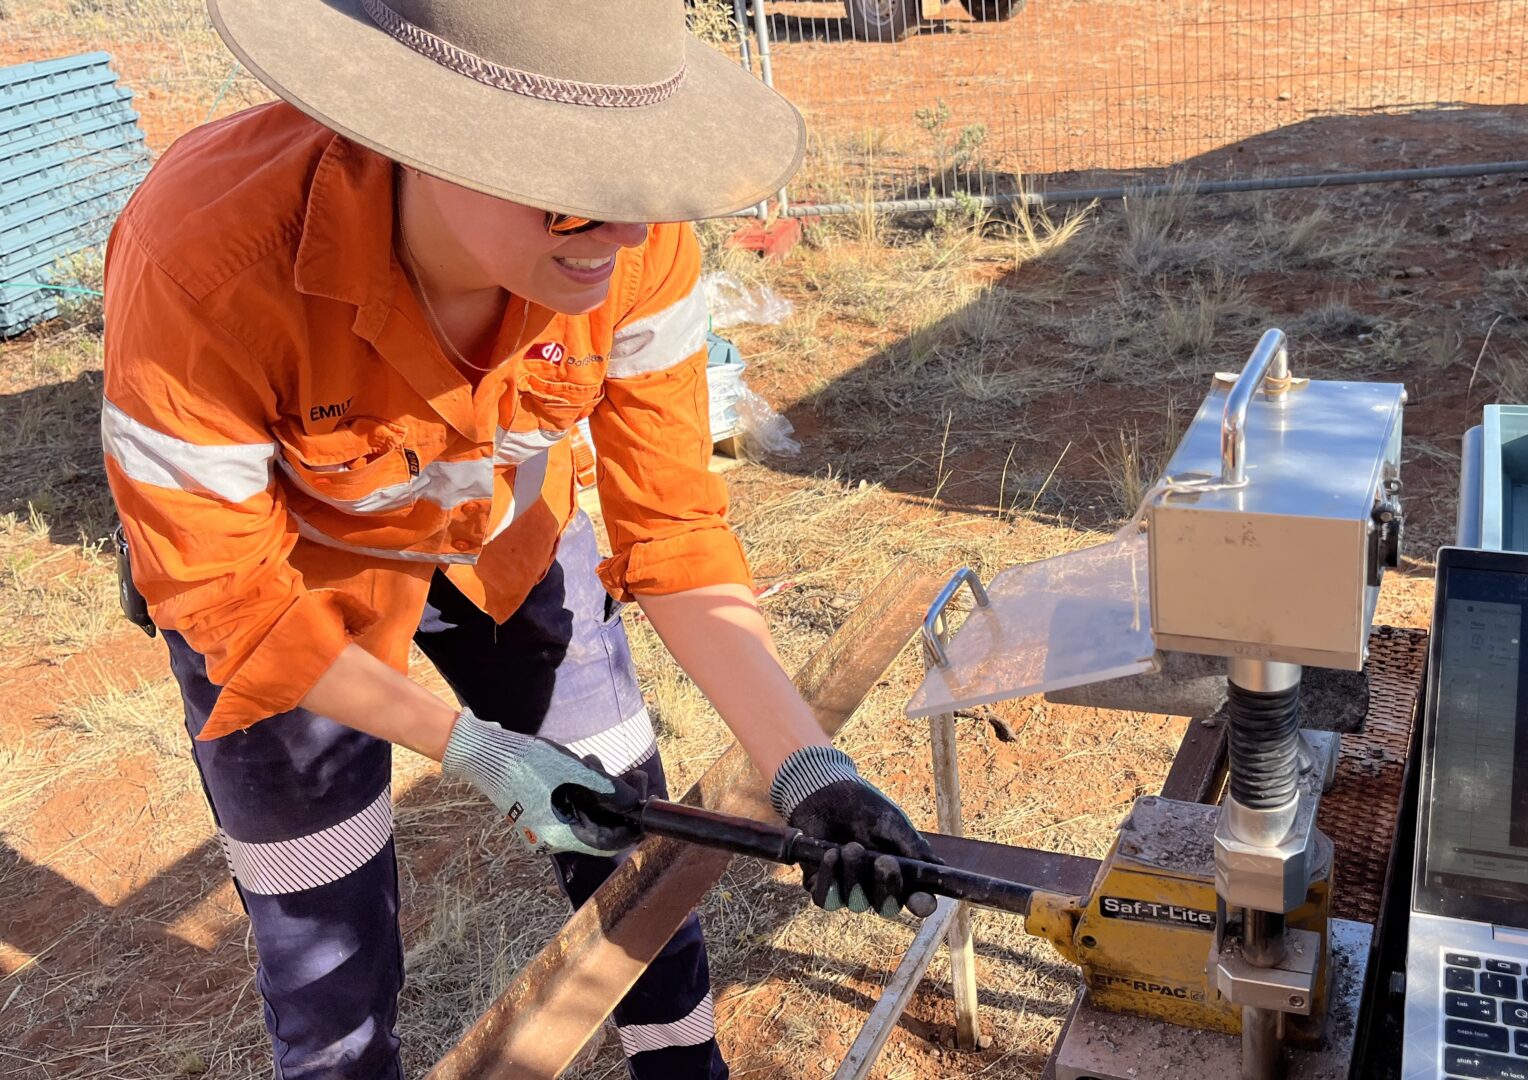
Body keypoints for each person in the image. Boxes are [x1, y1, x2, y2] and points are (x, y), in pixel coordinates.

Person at [99, 1, 936, 1077]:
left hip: (507, 540)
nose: (629, 236)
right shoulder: (205, 264)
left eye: (639, 189)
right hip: (297, 593)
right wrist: (474, 749)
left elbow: (673, 525)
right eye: (576, 203)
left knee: (632, 842)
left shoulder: (632, 242)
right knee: (328, 959)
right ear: (424, 141)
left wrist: (807, 766)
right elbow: (230, 602)